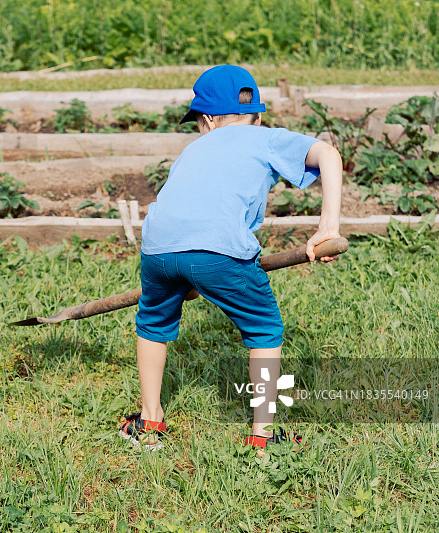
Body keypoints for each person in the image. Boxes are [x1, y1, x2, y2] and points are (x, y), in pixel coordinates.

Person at [119, 65, 342, 452]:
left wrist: (185, 275)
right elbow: (328, 154)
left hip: (157, 247)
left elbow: (188, 210)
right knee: (265, 329)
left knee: (153, 322)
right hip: (218, 250)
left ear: (206, 120)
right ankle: (263, 435)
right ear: (257, 115)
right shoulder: (265, 138)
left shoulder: (192, 149)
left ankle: (149, 421)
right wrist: (327, 226)